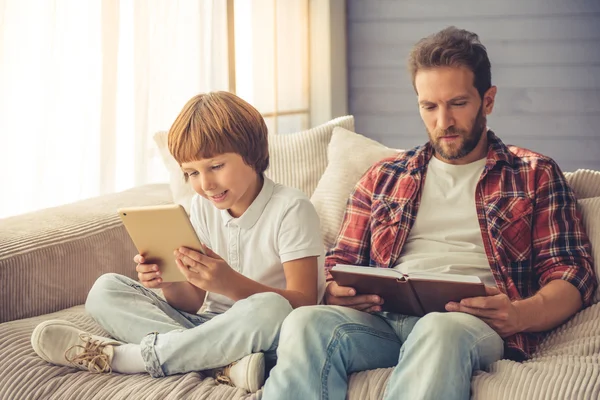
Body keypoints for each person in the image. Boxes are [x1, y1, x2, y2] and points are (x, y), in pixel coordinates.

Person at [260, 27, 597, 400]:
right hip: (383, 323)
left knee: (439, 329)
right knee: (306, 322)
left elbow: (572, 274)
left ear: (487, 100)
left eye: (457, 103)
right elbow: (339, 263)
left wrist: (519, 315)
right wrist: (338, 293)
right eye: (429, 106)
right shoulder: (384, 177)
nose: (443, 122)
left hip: (467, 325)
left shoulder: (533, 173)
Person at [30, 91, 325, 393]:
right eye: (191, 172)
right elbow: (194, 302)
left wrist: (230, 283)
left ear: (252, 154)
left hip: (260, 332)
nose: (205, 184)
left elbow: (304, 305)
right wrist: (168, 282)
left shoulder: (291, 208)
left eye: (216, 166)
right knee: (105, 289)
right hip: (204, 326)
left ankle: (129, 358)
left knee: (270, 307)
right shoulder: (201, 208)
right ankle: (221, 365)